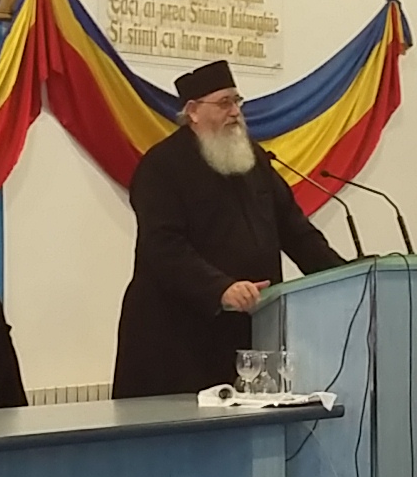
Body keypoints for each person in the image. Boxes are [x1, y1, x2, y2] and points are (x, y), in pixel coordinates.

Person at [111, 60, 346, 397]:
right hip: (177, 338)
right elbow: (163, 247)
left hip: (247, 329)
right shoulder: (161, 166)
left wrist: (344, 276)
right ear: (193, 111)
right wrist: (220, 288)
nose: (235, 112)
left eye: (237, 101)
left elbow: (296, 232)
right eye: (224, 103)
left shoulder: (254, 160)